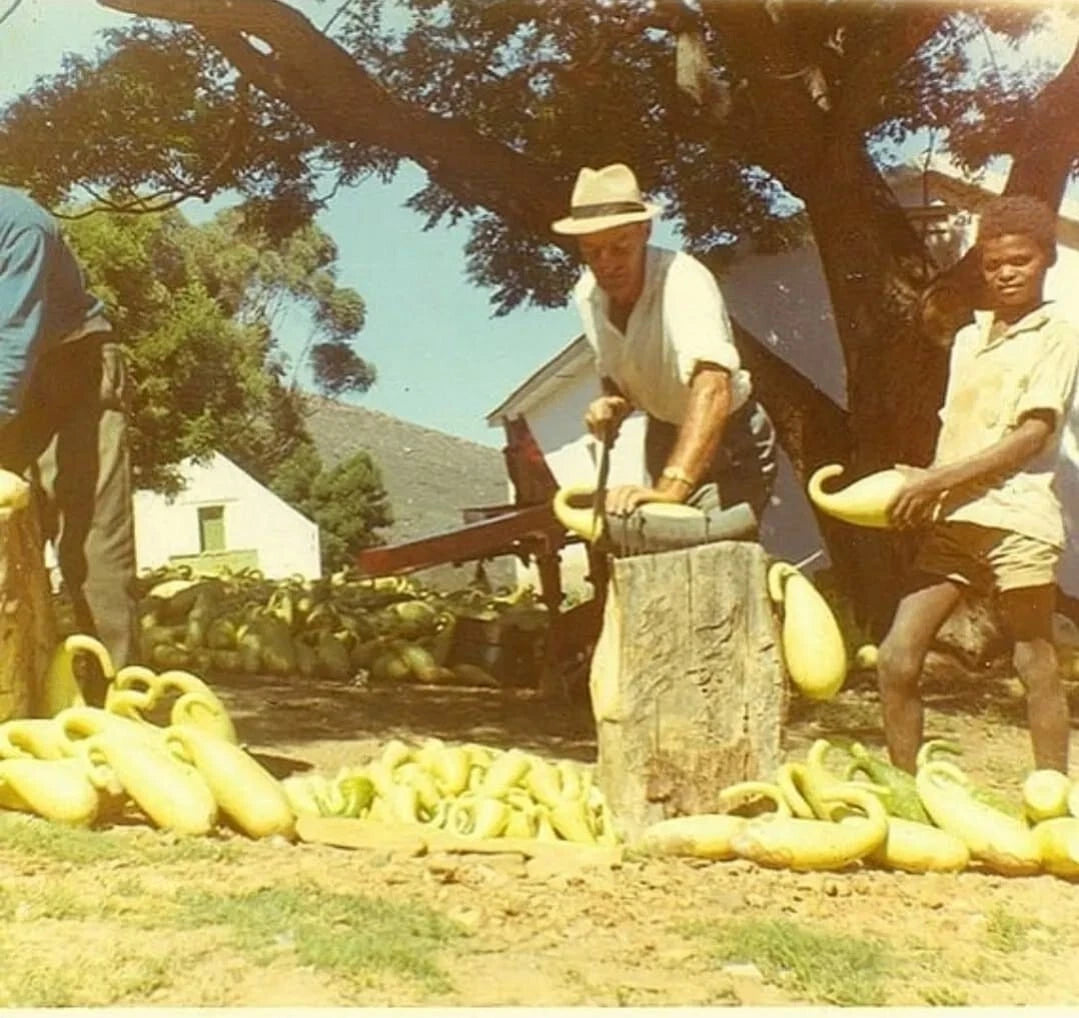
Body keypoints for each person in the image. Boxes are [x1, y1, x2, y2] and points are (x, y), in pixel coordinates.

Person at [877, 194, 1079, 774]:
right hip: (956, 523)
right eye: (993, 264)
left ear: (1046, 260)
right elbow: (961, 434)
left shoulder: (1057, 334)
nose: (1007, 273)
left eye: (1020, 260)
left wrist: (938, 478)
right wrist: (928, 484)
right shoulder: (969, 339)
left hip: (1018, 520)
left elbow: (1032, 434)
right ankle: (907, 790)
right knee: (896, 657)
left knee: (1033, 659)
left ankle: (1051, 800)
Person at [551, 163, 777, 526]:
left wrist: (672, 487)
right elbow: (616, 369)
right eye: (592, 252)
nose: (606, 264)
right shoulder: (587, 295)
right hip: (664, 436)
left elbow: (713, 387)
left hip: (731, 436)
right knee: (659, 546)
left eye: (619, 247)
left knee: (712, 547)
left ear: (645, 230)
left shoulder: (683, 281)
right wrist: (613, 402)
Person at [0, 185, 138, 697]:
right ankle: (21, 703)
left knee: (92, 547)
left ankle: (122, 709)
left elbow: (11, 344)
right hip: (13, 377)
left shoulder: (19, 226)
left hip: (71, 373)